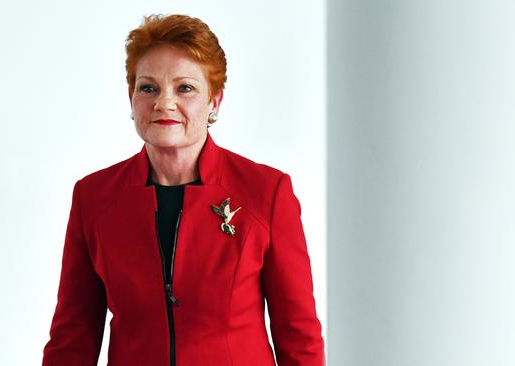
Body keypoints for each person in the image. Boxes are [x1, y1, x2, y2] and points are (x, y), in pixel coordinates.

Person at [42, 14, 324, 366]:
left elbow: (299, 338)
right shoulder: (93, 197)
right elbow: (73, 338)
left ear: (214, 102)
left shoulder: (266, 193)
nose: (164, 103)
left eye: (185, 88)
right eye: (148, 88)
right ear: (131, 99)